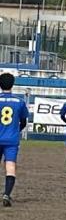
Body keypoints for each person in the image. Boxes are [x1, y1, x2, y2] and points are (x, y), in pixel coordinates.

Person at [0, 73, 29, 207]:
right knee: (10, 166)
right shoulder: (20, 102)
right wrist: (16, 131)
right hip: (11, 139)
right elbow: (23, 121)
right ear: (12, 84)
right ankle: (6, 194)